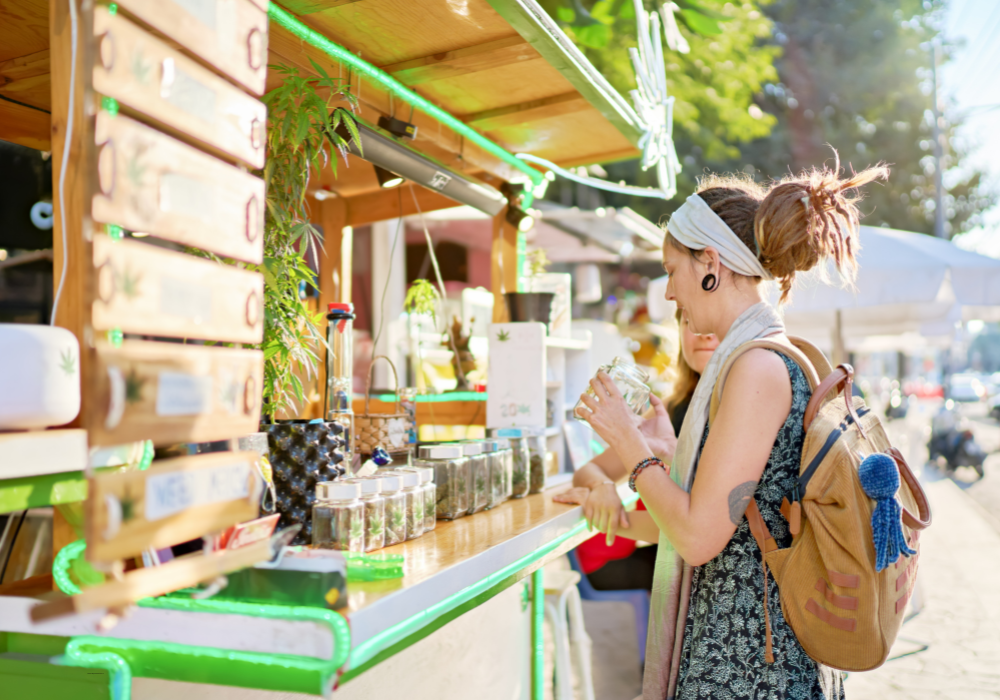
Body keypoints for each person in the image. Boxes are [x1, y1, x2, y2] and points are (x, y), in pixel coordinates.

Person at [576, 161, 887, 700]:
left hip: (749, 666)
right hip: (753, 652)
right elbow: (734, 519)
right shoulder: (767, 355)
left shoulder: (755, 367)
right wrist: (665, 451)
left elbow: (698, 538)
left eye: (672, 270)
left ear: (710, 263)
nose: (669, 292)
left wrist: (629, 443)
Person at [554, 311, 719, 592]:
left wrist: (609, 517)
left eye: (714, 322)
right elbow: (589, 470)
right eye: (689, 322)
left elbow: (704, 527)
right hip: (675, 560)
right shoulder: (668, 410)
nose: (703, 333)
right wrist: (602, 487)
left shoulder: (740, 411)